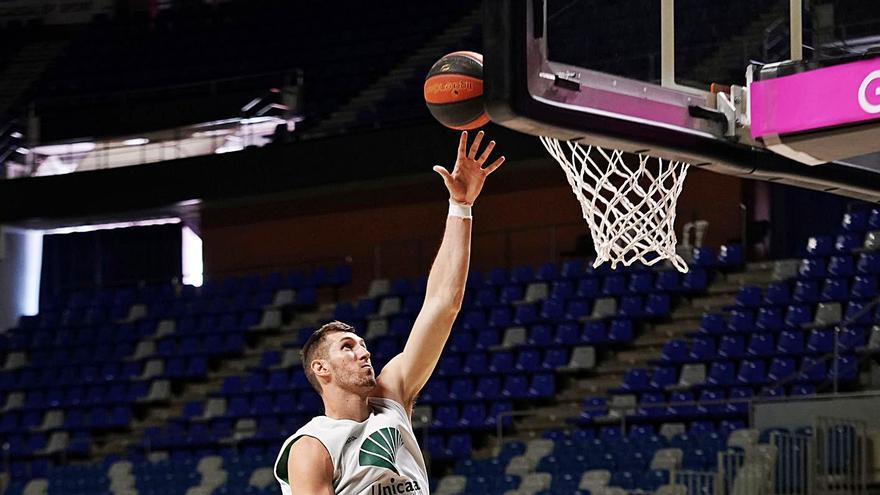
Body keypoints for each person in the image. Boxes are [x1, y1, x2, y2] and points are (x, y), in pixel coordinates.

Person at [273, 130, 505, 495]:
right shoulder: (312, 447)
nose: (364, 352)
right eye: (347, 347)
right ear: (321, 369)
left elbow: (444, 304)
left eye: (362, 344)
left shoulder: (391, 397)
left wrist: (461, 206)